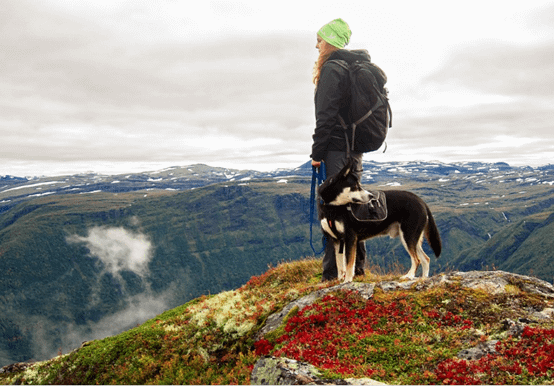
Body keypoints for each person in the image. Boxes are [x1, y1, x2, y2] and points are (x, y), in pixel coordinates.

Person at [310, 18, 369, 281]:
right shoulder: (351, 67)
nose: (317, 45)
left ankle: (332, 275)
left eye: (320, 40)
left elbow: (326, 117)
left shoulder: (333, 69)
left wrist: (316, 153)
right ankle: (356, 269)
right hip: (353, 149)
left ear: (330, 42)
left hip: (336, 149)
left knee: (333, 210)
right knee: (352, 207)